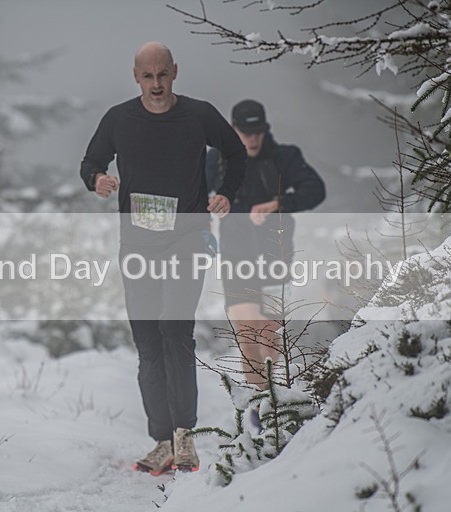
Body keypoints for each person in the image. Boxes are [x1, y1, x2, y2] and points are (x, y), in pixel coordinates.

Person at [80, 42, 247, 474]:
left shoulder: (199, 115)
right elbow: (90, 161)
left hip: (188, 235)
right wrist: (97, 179)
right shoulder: (119, 119)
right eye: (147, 76)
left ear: (175, 71)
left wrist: (226, 193)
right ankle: (162, 440)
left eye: (162, 74)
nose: (156, 84)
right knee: (148, 342)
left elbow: (236, 153)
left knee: (175, 329)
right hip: (138, 242)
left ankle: (185, 435)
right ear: (136, 77)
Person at [206, 99, 325, 399]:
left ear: (265, 129)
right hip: (235, 256)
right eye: (246, 133)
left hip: (276, 256)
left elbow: (316, 190)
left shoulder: (284, 157)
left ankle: (276, 404)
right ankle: (257, 405)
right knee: (247, 334)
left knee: (269, 335)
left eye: (257, 132)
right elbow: (193, 194)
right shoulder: (216, 160)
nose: (253, 139)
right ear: (233, 130)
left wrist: (278, 204)